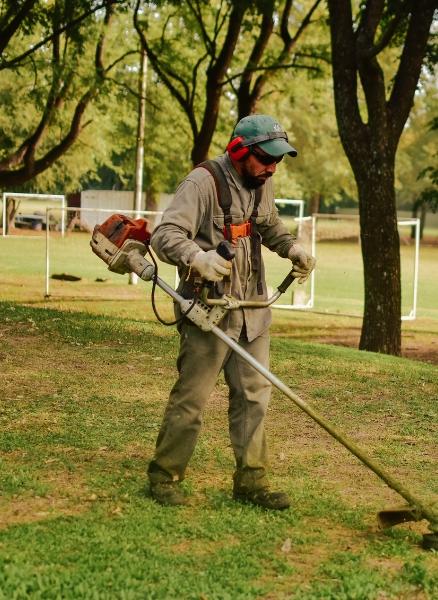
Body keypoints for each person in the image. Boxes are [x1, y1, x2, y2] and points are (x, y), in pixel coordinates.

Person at [148, 115, 316, 510]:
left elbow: (269, 226)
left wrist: (292, 248)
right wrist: (198, 257)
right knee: (193, 397)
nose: (272, 168)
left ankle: (252, 479)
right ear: (240, 151)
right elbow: (164, 234)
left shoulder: (263, 181)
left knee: (255, 395)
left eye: (278, 161)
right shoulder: (202, 182)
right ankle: (164, 473)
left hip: (252, 311)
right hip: (209, 309)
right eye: (265, 159)